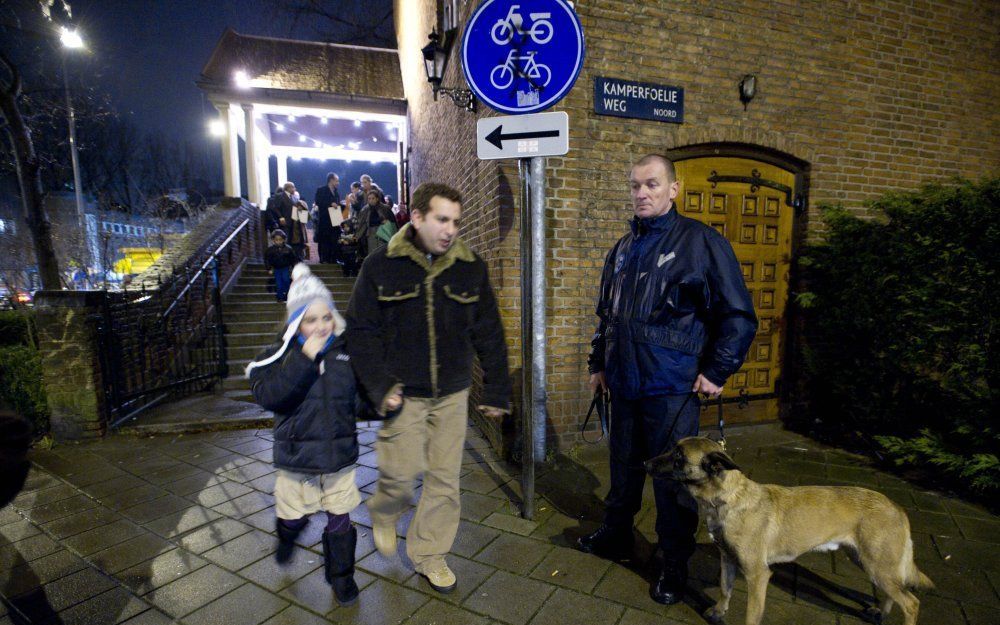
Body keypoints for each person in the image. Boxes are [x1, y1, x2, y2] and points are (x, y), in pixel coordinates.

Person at [580, 154, 757, 605]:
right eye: (636, 185)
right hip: (624, 383)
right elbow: (608, 317)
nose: (642, 193)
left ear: (674, 189)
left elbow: (738, 315)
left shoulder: (702, 243)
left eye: (652, 185)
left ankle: (674, 564)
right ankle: (617, 533)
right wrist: (598, 364)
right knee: (623, 467)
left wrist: (717, 370)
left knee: (674, 483)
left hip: (672, 389)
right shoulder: (621, 250)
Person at [345, 182, 511, 594]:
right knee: (399, 477)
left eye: (456, 221)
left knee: (444, 481)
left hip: (452, 394)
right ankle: (384, 511)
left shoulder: (470, 266)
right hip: (403, 394)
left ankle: (430, 554)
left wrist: (497, 389)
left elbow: (489, 331)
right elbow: (361, 332)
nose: (450, 229)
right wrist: (380, 385)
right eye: (442, 219)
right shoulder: (380, 266)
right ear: (416, 217)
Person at [245, 264, 362, 606]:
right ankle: (286, 535)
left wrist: (385, 402)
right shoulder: (275, 357)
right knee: (294, 514)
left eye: (326, 317)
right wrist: (305, 361)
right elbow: (271, 396)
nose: (322, 327)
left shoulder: (344, 354)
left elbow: (357, 402)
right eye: (311, 320)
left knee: (340, 516)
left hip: (339, 455)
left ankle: (342, 577)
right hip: (297, 458)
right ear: (296, 322)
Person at [355, 188, 394, 260]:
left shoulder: (384, 208)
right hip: (371, 233)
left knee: (382, 254)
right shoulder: (365, 209)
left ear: (377, 199)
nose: (371, 200)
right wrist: (358, 235)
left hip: (383, 234)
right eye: (369, 199)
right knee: (372, 255)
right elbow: (361, 223)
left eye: (373, 198)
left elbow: (392, 221)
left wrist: (386, 221)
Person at [314, 173, 343, 264]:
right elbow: (318, 201)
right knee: (324, 240)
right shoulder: (321, 190)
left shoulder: (336, 192)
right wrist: (330, 203)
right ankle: (324, 259)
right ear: (331, 180)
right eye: (337, 180)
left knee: (334, 239)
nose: (338, 183)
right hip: (325, 220)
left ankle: (333, 259)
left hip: (335, 220)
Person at [264, 229, 298, 302]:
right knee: (278, 283)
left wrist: (294, 268)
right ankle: (280, 297)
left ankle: (287, 294)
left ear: (283, 240)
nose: (278, 241)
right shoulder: (270, 250)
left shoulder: (288, 249)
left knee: (286, 281)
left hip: (285, 267)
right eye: (276, 240)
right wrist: (269, 268)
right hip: (276, 268)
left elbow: (293, 259)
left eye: (280, 239)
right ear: (273, 240)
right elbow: (267, 260)